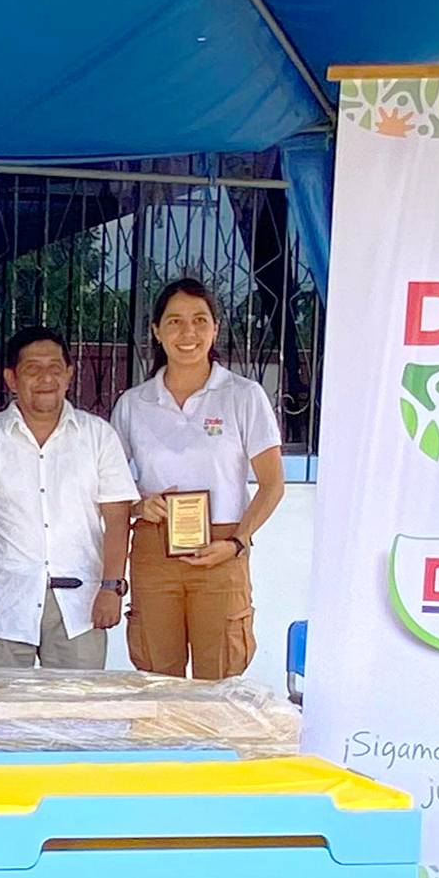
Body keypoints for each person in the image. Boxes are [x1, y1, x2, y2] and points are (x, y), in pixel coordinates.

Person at [113, 278, 285, 679]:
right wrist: (140, 503)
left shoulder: (243, 395)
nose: (187, 333)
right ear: (156, 331)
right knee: (158, 677)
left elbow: (272, 484)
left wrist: (237, 542)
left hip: (222, 547)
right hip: (155, 548)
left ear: (215, 328)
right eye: (174, 321)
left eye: (199, 320)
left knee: (219, 676)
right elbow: (111, 484)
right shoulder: (134, 403)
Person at [0, 328, 138, 669]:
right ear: (11, 379)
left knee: (76, 704)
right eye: (32, 369)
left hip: (81, 605)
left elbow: (118, 519)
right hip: (0, 604)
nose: (45, 378)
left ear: (69, 375)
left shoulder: (98, 436)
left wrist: (111, 587)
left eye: (55, 368)